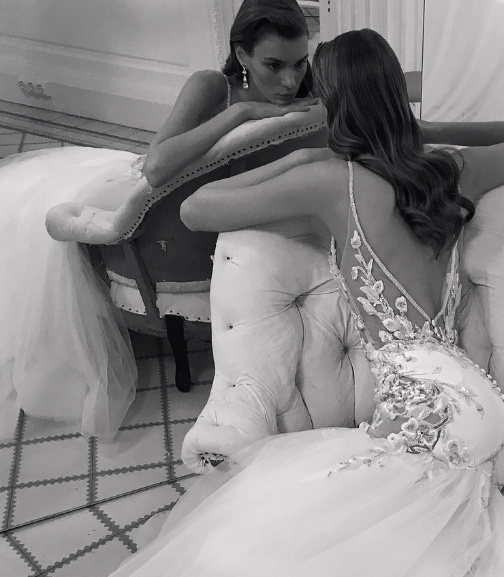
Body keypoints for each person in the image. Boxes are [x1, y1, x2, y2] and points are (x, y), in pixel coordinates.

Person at [108, 29, 504, 577]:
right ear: (394, 93)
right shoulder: (453, 169)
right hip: (481, 413)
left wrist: (306, 153)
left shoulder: (330, 181)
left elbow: (196, 208)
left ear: (334, 104)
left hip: (426, 418)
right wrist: (429, 133)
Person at [0, 0, 318, 442]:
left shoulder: (310, 93)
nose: (289, 81)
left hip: (228, 224)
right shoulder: (211, 86)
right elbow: (154, 167)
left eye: (300, 63)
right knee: (25, 221)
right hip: (151, 205)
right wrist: (241, 113)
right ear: (243, 55)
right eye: (274, 65)